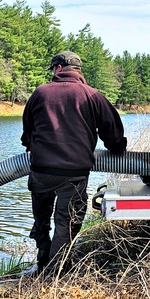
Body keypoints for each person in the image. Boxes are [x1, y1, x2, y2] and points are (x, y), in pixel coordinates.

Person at [21, 51, 127, 275]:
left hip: (40, 171)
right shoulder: (92, 95)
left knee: (42, 219)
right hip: (74, 174)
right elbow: (113, 131)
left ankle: (43, 258)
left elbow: (27, 133)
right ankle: (53, 274)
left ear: (58, 68)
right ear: (77, 71)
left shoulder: (39, 94)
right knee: (66, 223)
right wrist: (117, 149)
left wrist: (32, 146)